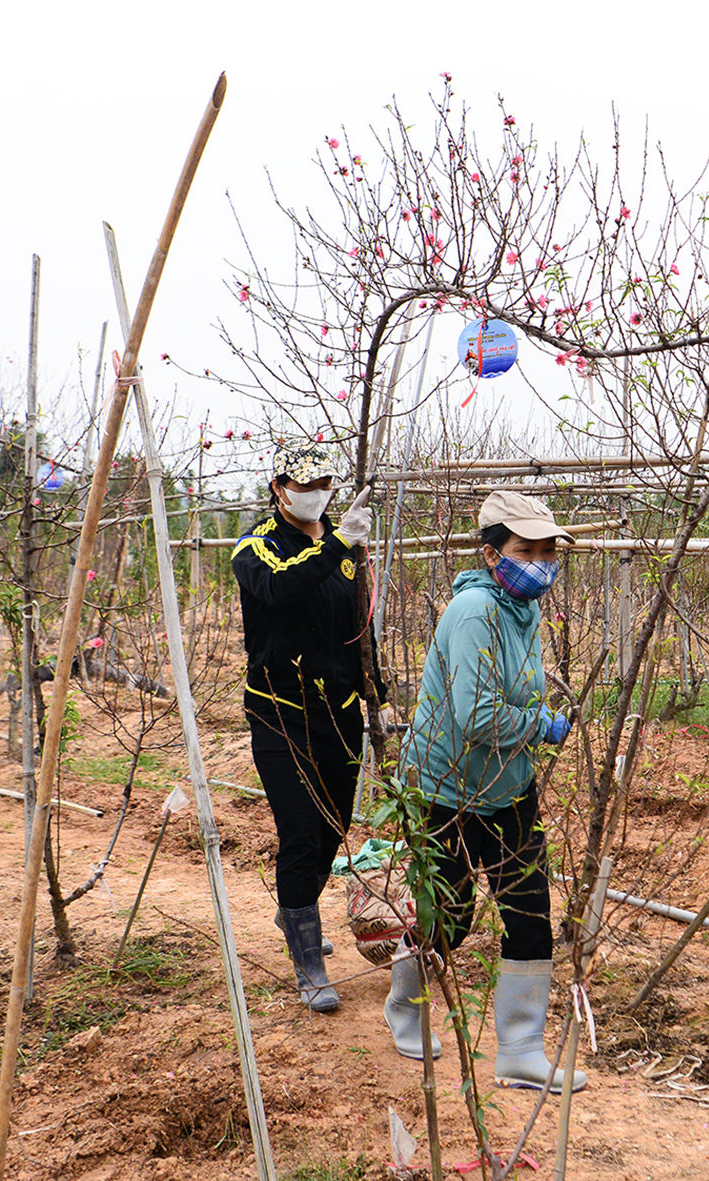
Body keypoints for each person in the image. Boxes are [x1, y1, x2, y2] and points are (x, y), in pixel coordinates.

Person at [387, 489, 585, 1092]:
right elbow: (475, 715)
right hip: (446, 788)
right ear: (492, 553)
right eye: (527, 549)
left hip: (507, 785)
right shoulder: (475, 611)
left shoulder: (521, 612)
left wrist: (536, 716)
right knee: (449, 914)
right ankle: (407, 1007)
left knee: (529, 915)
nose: (541, 561)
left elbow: (511, 692)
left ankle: (521, 1051)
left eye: (548, 551)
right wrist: (540, 726)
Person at [232, 444, 375, 1012]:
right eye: (305, 481)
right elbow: (282, 587)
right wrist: (339, 542)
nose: (316, 490)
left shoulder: (343, 550)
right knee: (301, 830)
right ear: (279, 487)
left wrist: (374, 689)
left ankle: (298, 911)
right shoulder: (256, 547)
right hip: (279, 710)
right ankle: (309, 964)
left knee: (336, 825)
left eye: (325, 480)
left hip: (339, 711)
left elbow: (355, 627)